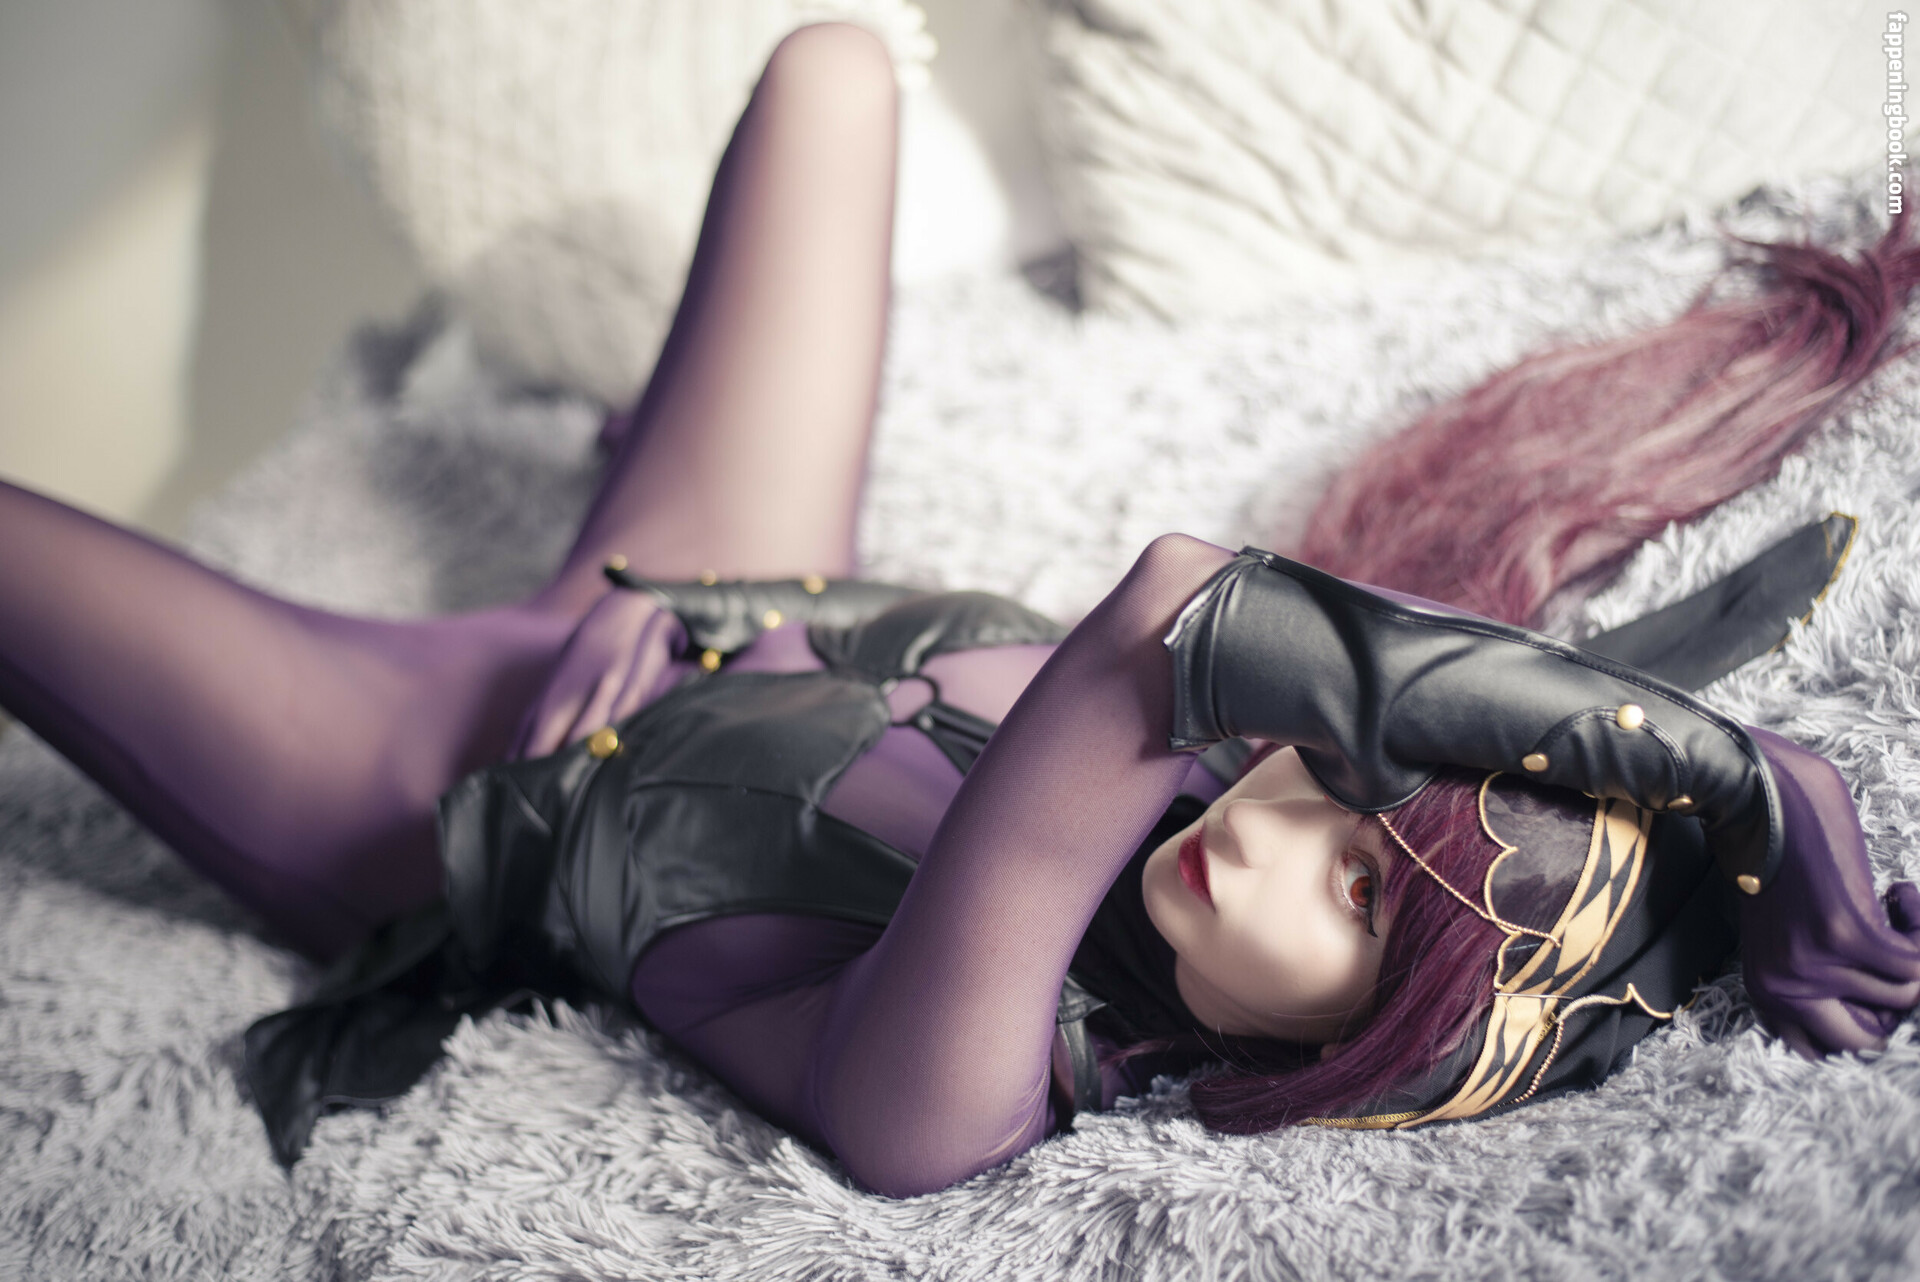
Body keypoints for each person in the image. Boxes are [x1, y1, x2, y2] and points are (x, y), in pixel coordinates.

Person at [3, 25, 1918, 1200]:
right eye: (1340, 789)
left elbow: (1173, 610)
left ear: (1374, 1057)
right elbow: (1343, 686)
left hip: (443, 767)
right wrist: (1692, 764)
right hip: (732, 564)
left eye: (1352, 896)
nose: (1275, 828)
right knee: (835, 73)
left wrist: (1737, 774)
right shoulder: (1221, 789)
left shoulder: (956, 1088)